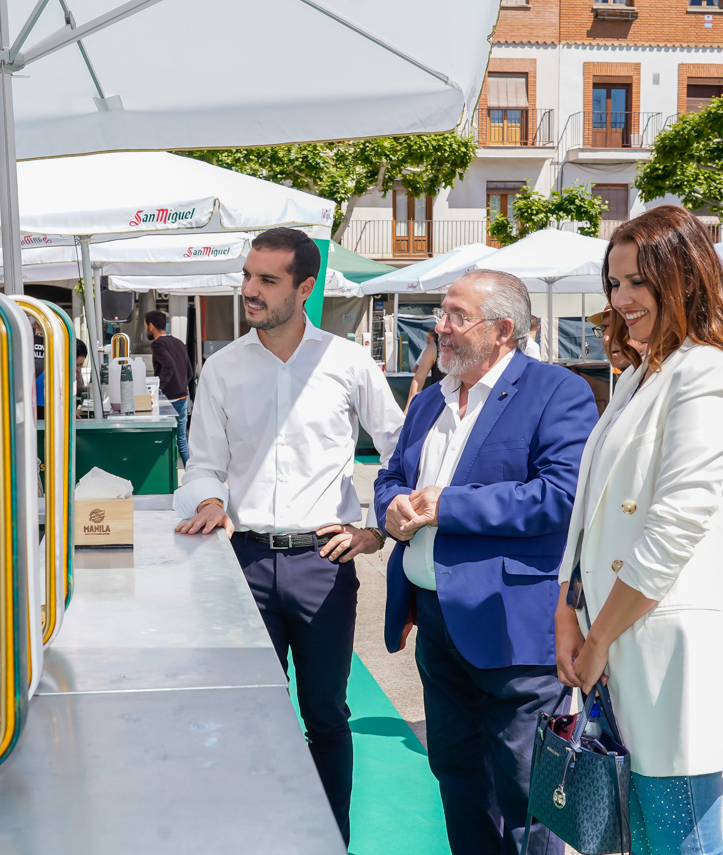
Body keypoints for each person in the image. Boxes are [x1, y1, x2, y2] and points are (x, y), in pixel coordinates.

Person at [173, 227, 404, 845]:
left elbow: (400, 451)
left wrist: (374, 530)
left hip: (322, 563)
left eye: (267, 280)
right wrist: (210, 499)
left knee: (325, 714)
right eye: (248, 276)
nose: (250, 290)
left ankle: (330, 841)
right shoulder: (223, 368)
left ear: (305, 288)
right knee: (251, 711)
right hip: (244, 564)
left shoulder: (349, 363)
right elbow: (202, 464)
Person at [555, 206, 723, 853]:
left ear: (684, 277)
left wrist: (597, 638)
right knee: (641, 840)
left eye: (638, 282)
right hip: (616, 638)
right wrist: (567, 606)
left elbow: (672, 528)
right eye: (614, 283)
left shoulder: (710, 373)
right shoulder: (643, 374)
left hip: (667, 651)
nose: (622, 299)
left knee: (678, 841)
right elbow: (590, 507)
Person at [372, 269, 597, 855]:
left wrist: (448, 505)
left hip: (513, 625)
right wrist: (390, 507)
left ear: (502, 330)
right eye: (440, 314)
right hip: (436, 620)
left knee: (525, 794)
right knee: (457, 778)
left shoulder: (556, 391)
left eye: (456, 316)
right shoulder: (430, 400)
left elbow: (562, 495)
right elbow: (392, 475)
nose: (440, 328)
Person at [144, 310, 194, 463]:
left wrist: (159, 388)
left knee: (164, 440)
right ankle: (191, 472)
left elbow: (169, 365)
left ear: (151, 326)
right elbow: (190, 372)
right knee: (181, 439)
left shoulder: (158, 344)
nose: (146, 330)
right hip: (182, 397)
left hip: (168, 401)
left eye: (145, 326)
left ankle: (166, 472)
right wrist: (181, 386)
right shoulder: (179, 343)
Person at [405, 328, 443, 410]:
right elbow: (418, 379)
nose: (426, 340)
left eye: (429, 338)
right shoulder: (432, 349)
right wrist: (409, 408)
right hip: (438, 405)